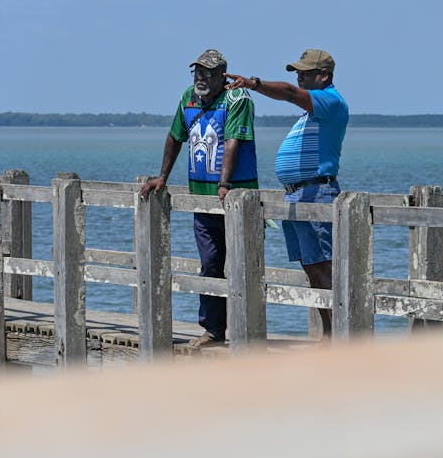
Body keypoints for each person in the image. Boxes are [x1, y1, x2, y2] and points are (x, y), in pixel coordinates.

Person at [224, 49, 348, 338]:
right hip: (297, 195)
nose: (299, 76)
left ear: (324, 76)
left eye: (305, 71)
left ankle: (339, 337)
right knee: (311, 268)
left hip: (316, 192)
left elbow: (290, 92)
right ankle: (329, 334)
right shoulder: (311, 112)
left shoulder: (331, 101)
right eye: (297, 71)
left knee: (324, 267)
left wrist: (254, 83)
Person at [141, 48, 258, 347]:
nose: (201, 78)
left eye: (207, 72)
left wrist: (225, 183)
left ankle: (248, 330)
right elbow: (174, 136)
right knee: (209, 265)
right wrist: (162, 177)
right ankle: (213, 329)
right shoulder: (188, 98)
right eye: (197, 72)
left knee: (244, 264)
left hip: (235, 198)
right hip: (201, 200)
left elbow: (232, 141)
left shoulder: (237, 99)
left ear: (223, 75)